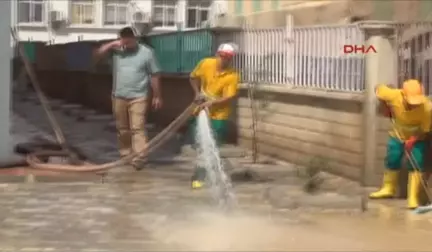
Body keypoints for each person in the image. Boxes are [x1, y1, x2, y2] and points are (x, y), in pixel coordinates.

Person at [95, 27, 162, 170]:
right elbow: (97, 55)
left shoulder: (147, 53)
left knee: (137, 127)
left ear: (135, 37)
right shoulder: (116, 52)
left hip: (139, 96)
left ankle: (140, 157)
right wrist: (110, 45)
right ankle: (125, 155)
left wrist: (157, 95)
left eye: (129, 37)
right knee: (122, 128)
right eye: (124, 37)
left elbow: (155, 74)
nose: (127, 40)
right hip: (119, 95)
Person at [370, 79, 431, 209]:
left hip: (417, 137)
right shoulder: (393, 95)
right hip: (397, 134)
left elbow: (425, 130)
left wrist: (413, 140)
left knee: (417, 162)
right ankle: (388, 188)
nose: (414, 105)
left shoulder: (427, 107)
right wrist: (385, 107)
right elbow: (378, 88)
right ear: (403, 95)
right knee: (392, 158)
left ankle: (413, 197)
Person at [188, 43, 240, 189]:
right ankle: (203, 172)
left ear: (231, 59)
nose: (224, 60)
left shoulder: (232, 75)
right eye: (222, 56)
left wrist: (212, 103)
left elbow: (229, 97)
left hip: (219, 115)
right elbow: (192, 77)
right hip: (200, 110)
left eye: (228, 58)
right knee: (200, 145)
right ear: (217, 54)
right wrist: (197, 93)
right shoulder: (206, 63)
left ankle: (202, 176)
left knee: (212, 145)